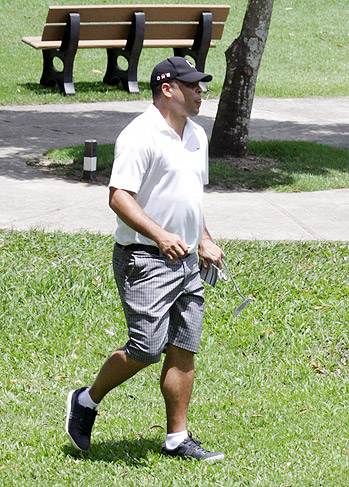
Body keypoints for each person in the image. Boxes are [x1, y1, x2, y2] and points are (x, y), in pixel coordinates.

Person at [65, 57, 225, 461]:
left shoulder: (196, 136)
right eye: (193, 86)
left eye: (201, 86)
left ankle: (177, 438)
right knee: (146, 348)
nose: (201, 92)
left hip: (188, 259)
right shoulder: (140, 135)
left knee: (183, 347)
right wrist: (160, 235)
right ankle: (86, 399)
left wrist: (203, 239)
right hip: (145, 259)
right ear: (167, 88)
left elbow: (191, 199)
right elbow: (118, 195)